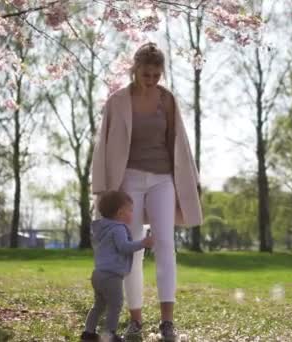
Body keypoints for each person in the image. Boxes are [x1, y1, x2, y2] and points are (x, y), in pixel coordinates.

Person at [91, 42, 203, 341]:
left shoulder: (167, 101)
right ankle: (136, 319)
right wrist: (102, 187)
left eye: (156, 75)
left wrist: (191, 181)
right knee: (133, 248)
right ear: (135, 69)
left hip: (162, 178)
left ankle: (167, 321)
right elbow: (103, 145)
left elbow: (180, 143)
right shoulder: (117, 102)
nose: (151, 79)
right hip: (127, 180)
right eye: (146, 74)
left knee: (165, 244)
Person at [81, 191, 154, 342]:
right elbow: (123, 247)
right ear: (121, 213)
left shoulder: (102, 228)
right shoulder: (118, 228)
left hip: (98, 274)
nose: (132, 214)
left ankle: (88, 332)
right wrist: (142, 243)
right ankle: (109, 334)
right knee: (116, 305)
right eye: (131, 210)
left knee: (99, 305)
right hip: (111, 276)